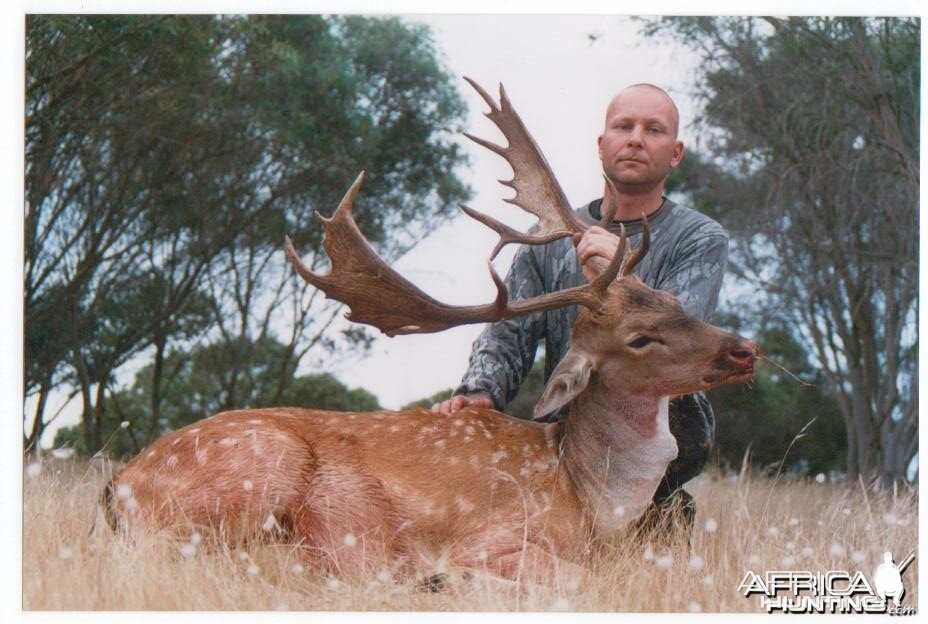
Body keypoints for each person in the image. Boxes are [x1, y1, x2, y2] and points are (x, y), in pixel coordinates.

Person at [431, 83, 729, 541]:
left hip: (665, 432)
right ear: (601, 144)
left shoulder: (699, 238)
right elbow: (508, 333)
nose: (635, 138)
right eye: (623, 126)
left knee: (642, 560)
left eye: (654, 129)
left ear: (675, 153)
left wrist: (624, 265)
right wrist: (481, 391)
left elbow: (682, 333)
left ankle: (657, 515)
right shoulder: (545, 239)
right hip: (568, 436)